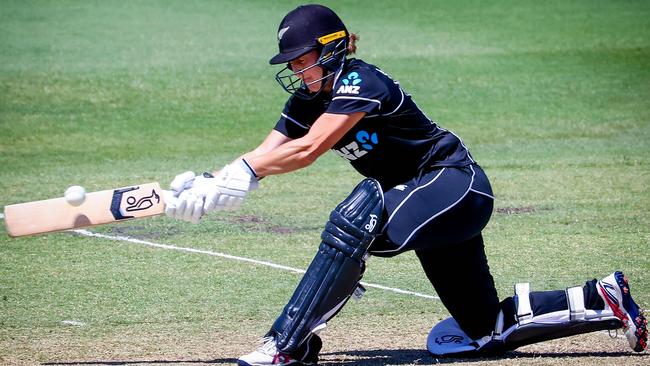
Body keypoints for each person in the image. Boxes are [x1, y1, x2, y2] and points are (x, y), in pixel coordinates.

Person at [163, 4, 647, 365]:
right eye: (291, 63)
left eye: (302, 59)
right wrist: (213, 183)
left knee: (357, 217)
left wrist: (244, 175)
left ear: (331, 48)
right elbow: (267, 153)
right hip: (423, 204)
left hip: (453, 186)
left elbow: (308, 150)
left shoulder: (361, 81)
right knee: (483, 333)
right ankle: (602, 298)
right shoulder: (307, 100)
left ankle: (288, 345)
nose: (296, 70)